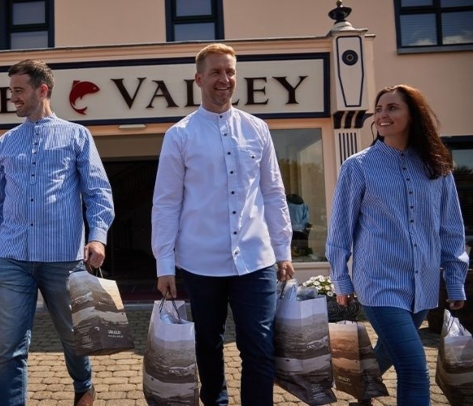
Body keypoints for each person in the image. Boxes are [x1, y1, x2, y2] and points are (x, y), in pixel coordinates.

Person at [151, 43, 295, 406]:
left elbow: (274, 193)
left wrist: (283, 249)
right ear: (199, 79)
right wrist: (164, 264)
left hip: (256, 257)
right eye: (216, 72)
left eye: (230, 71)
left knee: (259, 346)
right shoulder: (180, 135)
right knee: (208, 345)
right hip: (201, 261)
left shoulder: (257, 129)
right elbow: (166, 204)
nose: (224, 79)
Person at [0, 59, 114, 406]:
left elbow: (98, 191)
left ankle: (83, 386)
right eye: (11, 91)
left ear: (42, 90)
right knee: (10, 347)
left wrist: (97, 235)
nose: (13, 98)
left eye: (19, 90)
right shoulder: (5, 142)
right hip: (11, 258)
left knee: (74, 337)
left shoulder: (77, 135)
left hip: (63, 258)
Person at [326, 84, 468, 406]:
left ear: (412, 115)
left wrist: (455, 281)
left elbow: (450, 228)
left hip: (423, 283)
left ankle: (360, 397)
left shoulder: (438, 168)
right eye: (379, 109)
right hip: (378, 282)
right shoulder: (358, 166)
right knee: (414, 366)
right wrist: (341, 278)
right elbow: (340, 229)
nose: (382, 115)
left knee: (387, 354)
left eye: (392, 108)